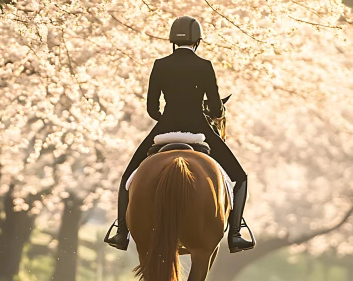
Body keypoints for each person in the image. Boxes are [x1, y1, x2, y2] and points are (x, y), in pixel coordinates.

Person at [104, 16, 254, 254]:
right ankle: (235, 234)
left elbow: (152, 108)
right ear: (198, 41)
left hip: (163, 129)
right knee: (241, 177)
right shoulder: (205, 66)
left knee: (128, 177)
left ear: (172, 40)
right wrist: (214, 111)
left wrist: (166, 117)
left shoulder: (160, 65)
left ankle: (121, 232)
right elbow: (215, 109)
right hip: (200, 130)